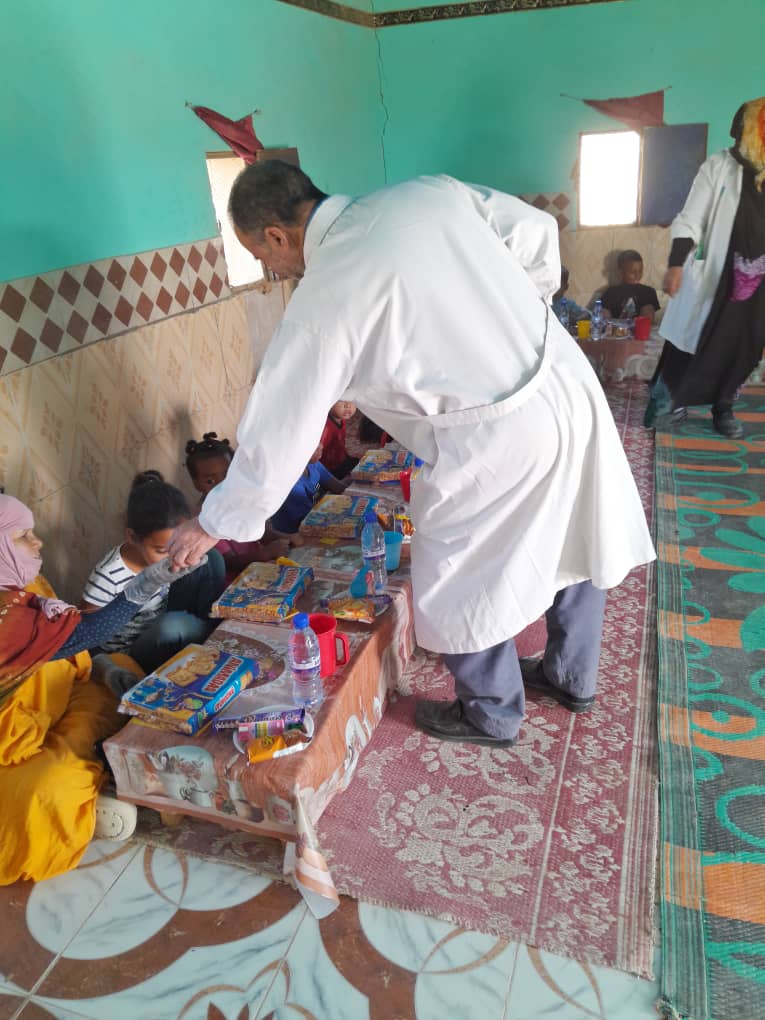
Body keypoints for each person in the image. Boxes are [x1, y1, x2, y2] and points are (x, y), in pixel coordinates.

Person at [167, 161, 655, 749]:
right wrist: (521, 310)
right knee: (579, 527)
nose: (270, 271)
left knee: (458, 569)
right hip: (563, 382)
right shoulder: (428, 193)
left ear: (276, 234)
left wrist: (215, 520)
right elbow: (535, 232)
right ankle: (572, 676)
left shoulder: (328, 289)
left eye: (261, 256)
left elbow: (279, 429)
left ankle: (491, 713)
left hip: (497, 433)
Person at [0, 494, 201, 883]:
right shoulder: (5, 617)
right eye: (24, 536)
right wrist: (147, 585)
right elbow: (86, 632)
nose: (37, 543)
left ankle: (96, 770)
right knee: (44, 790)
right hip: (13, 751)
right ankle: (87, 791)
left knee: (123, 673)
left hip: (53, 707)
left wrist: (103, 667)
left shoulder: (20, 584)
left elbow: (63, 647)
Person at [646, 96, 765, 438]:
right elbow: (691, 218)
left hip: (759, 283)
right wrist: (675, 265)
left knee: (742, 347)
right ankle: (665, 403)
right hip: (717, 276)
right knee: (689, 341)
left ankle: (723, 407)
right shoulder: (719, 167)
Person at [81, 472, 225, 674]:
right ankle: (214, 634)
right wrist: (106, 668)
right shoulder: (108, 577)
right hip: (133, 650)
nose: (173, 555)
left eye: (178, 544)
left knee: (212, 559)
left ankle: (211, 625)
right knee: (173, 626)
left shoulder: (164, 554)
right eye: (161, 550)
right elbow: (87, 634)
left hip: (160, 615)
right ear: (133, 537)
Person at [185, 432, 293, 583]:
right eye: (210, 480)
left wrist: (286, 538)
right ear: (196, 483)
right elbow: (227, 563)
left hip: (258, 568)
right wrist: (264, 554)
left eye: (227, 475)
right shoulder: (204, 518)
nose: (221, 484)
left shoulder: (239, 499)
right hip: (234, 585)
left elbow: (258, 531)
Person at [270, 442, 349, 534]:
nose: (321, 446)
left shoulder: (311, 464)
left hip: (316, 513)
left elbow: (338, 487)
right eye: (315, 443)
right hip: (296, 534)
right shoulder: (290, 482)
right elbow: (311, 519)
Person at [600, 250, 660, 322]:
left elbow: (649, 315)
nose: (637, 275)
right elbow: (603, 313)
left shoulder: (648, 292)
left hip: (640, 330)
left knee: (648, 308)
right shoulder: (611, 292)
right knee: (603, 312)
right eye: (632, 272)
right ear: (620, 272)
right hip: (617, 330)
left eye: (640, 271)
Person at [320, 400, 359, 479]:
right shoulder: (325, 427)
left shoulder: (341, 419)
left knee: (360, 463)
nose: (348, 405)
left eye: (352, 401)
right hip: (328, 469)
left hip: (341, 460)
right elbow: (317, 456)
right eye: (341, 401)